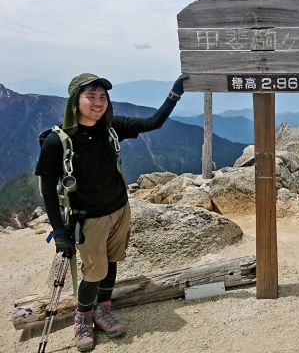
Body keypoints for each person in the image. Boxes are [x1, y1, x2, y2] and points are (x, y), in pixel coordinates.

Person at [36, 72, 188, 352]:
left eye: (102, 96)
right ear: (75, 101)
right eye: (90, 96)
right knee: (94, 272)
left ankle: (102, 310)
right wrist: (59, 232)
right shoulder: (57, 141)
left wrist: (175, 92)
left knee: (113, 261)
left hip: (120, 209)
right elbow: (46, 188)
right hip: (88, 217)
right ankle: (83, 319)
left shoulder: (111, 127)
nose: (98, 102)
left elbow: (154, 122)